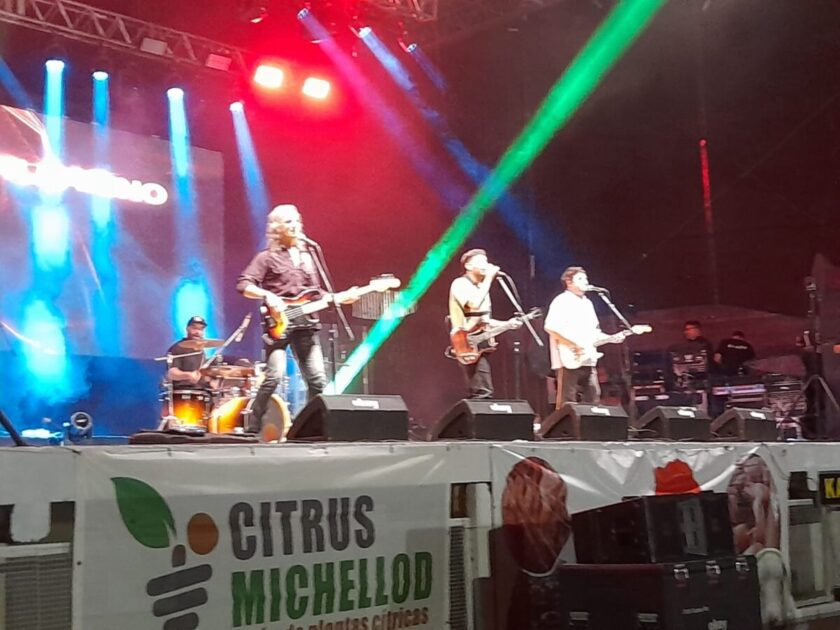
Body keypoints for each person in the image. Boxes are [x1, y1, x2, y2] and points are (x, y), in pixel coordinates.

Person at [237, 204, 355, 433]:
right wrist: (268, 296)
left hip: (306, 325)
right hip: (278, 324)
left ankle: (309, 428)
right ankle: (252, 425)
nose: (295, 225)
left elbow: (316, 293)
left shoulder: (309, 256)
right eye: (289, 222)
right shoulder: (266, 257)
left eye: (297, 221)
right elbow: (244, 284)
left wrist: (340, 297)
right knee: (273, 376)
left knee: (317, 379)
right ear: (277, 227)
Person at [544, 266, 631, 407]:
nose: (585, 281)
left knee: (593, 397)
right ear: (569, 282)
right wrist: (573, 345)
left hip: (588, 360)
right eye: (580, 278)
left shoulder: (587, 303)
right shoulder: (561, 300)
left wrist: (611, 338)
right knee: (568, 400)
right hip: (569, 358)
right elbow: (551, 327)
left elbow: (594, 333)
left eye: (586, 278)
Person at [448, 249, 521, 398]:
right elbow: (472, 306)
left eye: (486, 261)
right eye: (481, 262)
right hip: (466, 343)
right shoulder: (460, 284)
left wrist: (507, 324)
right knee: (482, 392)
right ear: (468, 266)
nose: (486, 265)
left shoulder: (481, 288)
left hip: (481, 344)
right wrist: (488, 279)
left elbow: (484, 321)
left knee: (482, 390)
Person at [165, 315, 210, 390]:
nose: (197, 332)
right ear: (187, 329)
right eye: (194, 328)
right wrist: (188, 375)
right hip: (183, 390)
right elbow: (172, 373)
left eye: (200, 329)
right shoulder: (178, 347)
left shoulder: (201, 351)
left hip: (200, 390)